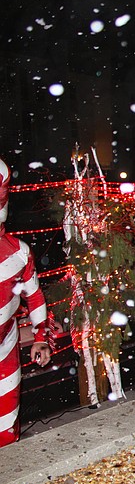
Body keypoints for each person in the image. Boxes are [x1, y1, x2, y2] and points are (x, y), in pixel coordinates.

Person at [0, 158, 51, 447]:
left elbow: (34, 294)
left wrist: (41, 338)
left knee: (6, 428)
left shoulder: (19, 251)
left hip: (5, 350)